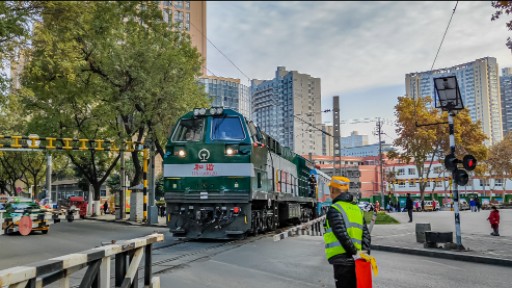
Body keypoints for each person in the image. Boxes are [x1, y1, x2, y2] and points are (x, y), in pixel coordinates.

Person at [324, 176, 371, 288]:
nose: (330, 193)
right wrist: (364, 254)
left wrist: (355, 252)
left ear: (333, 190)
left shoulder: (335, 209)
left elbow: (341, 234)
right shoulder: (357, 209)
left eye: (330, 189)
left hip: (342, 260)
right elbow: (366, 234)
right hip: (357, 260)